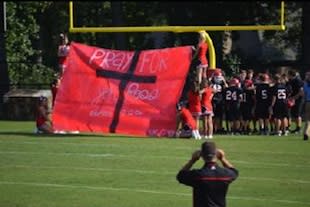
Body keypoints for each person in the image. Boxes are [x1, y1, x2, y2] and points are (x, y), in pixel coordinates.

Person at [176, 141, 238, 207]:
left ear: (202, 155)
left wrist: (192, 160)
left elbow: (180, 176)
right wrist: (222, 159)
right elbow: (234, 172)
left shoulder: (197, 175)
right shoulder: (225, 175)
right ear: (216, 154)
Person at [287, 69, 304, 134]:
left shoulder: (298, 81)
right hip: (293, 99)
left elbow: (301, 92)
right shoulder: (291, 81)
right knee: (294, 114)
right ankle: (296, 128)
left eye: (288, 75)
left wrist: (294, 98)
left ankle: (299, 128)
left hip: (298, 99)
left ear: (290, 75)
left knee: (297, 114)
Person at [302, 71, 310, 141]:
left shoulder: (305, 84)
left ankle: (306, 132)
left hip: (308, 102)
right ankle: (307, 133)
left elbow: (304, 94)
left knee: (307, 119)